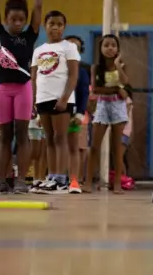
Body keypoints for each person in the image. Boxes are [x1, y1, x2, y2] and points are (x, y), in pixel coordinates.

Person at [0, 0, 42, 194]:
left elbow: (38, 6)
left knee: (22, 135)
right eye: (14, 20)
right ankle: (1, 181)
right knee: (4, 137)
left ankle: (21, 181)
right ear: (6, 18)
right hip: (3, 89)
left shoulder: (30, 35)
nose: (19, 23)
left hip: (23, 89)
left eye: (22, 19)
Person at [30, 11, 80, 194]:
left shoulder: (69, 48)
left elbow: (74, 75)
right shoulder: (38, 50)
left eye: (59, 24)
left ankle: (61, 179)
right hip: (43, 98)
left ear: (64, 27)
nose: (55, 27)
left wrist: (65, 98)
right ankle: (51, 177)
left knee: (60, 138)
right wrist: (33, 101)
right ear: (45, 26)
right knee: (48, 139)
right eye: (51, 23)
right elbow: (34, 77)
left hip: (61, 98)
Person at [85, 35, 129, 193]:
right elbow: (96, 89)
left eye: (113, 45)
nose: (110, 48)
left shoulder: (121, 65)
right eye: (106, 45)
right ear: (101, 49)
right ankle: (88, 181)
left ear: (118, 49)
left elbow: (125, 82)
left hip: (118, 106)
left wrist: (118, 66)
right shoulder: (96, 68)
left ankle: (117, 183)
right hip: (103, 104)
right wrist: (117, 89)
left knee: (117, 148)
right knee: (95, 146)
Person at [66, 35, 91, 193]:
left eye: (76, 47)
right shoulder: (53, 69)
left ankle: (74, 180)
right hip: (55, 114)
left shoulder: (82, 71)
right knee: (55, 146)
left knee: (76, 147)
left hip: (74, 115)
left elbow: (83, 93)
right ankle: (55, 178)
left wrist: (80, 114)